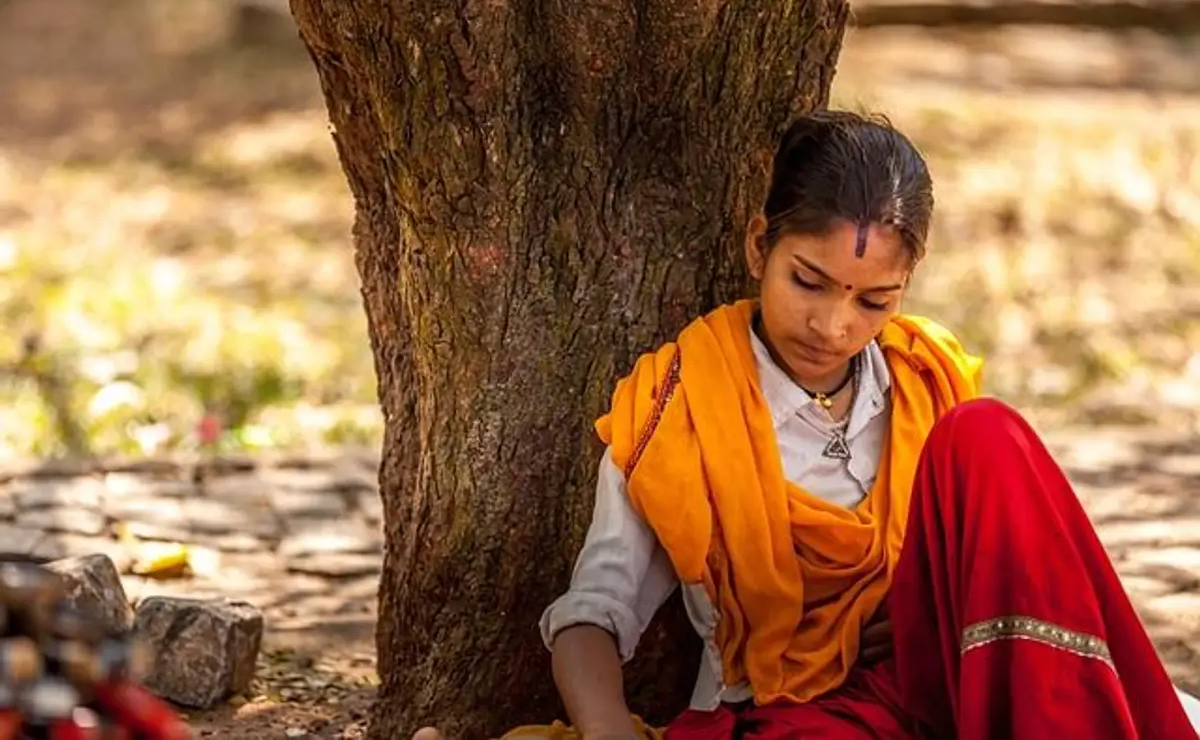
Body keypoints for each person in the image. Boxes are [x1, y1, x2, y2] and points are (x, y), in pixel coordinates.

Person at [415, 110, 1199, 740]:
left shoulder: (930, 385)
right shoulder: (683, 404)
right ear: (761, 243)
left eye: (872, 301)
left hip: (947, 694)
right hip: (794, 713)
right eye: (809, 282)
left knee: (988, 434)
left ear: (904, 288)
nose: (832, 324)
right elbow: (595, 608)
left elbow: (1006, 569)